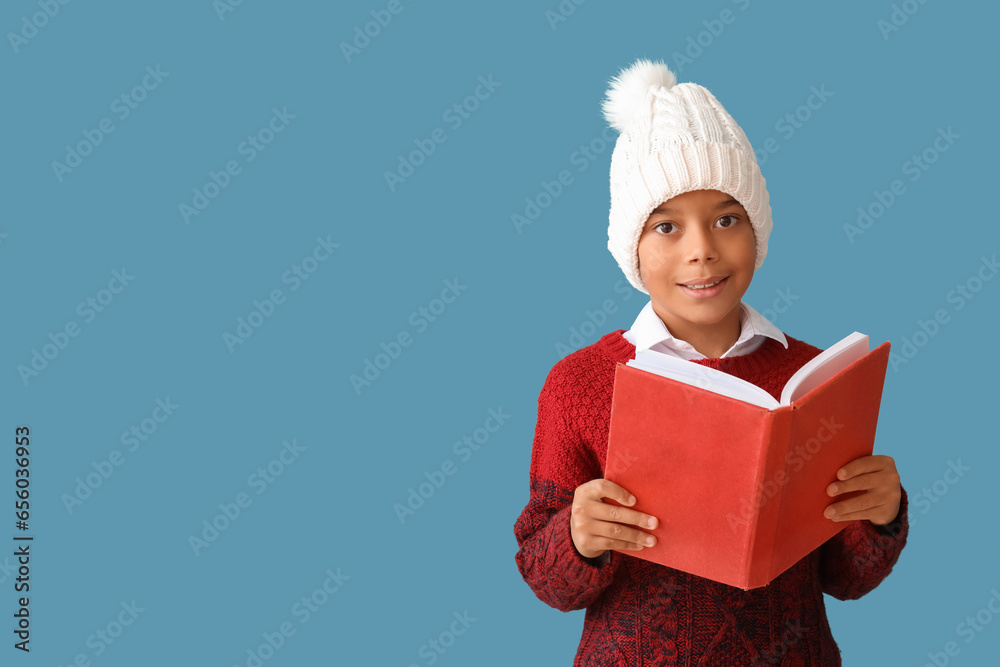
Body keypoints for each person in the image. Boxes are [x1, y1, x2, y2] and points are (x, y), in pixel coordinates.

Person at [513, 58, 909, 666]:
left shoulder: (814, 379)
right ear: (631, 250)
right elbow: (545, 578)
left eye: (726, 219)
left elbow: (845, 579)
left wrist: (879, 517)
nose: (702, 250)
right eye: (667, 227)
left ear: (757, 231)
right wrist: (576, 538)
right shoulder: (580, 384)